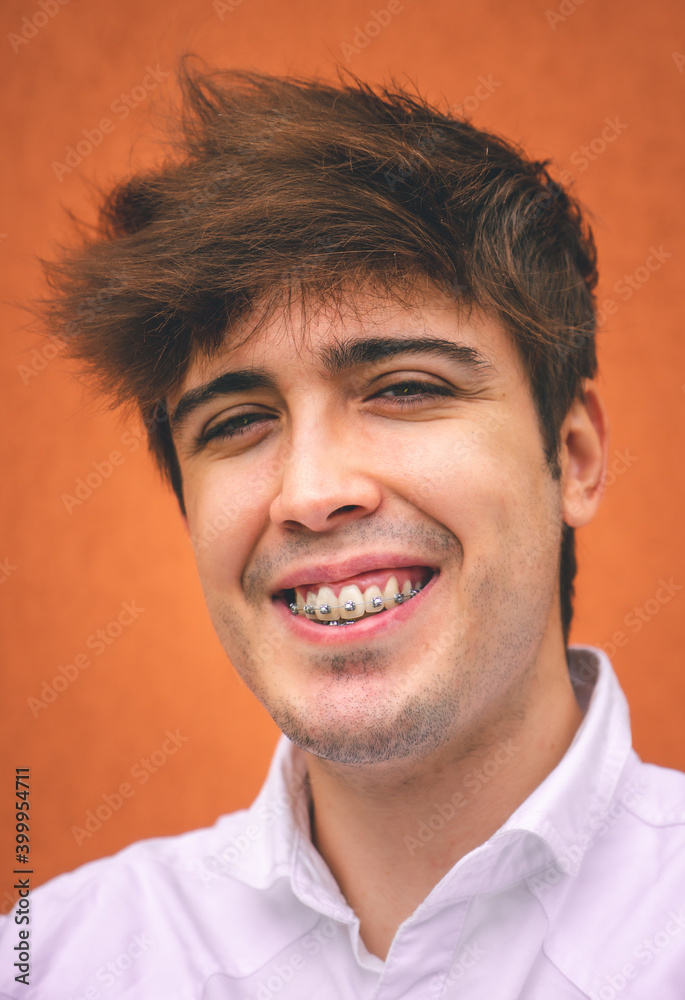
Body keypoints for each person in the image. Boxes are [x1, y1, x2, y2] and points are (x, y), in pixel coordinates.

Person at [2, 58, 684, 1000]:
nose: (311, 493)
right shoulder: (48, 965)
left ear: (570, 456)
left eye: (405, 388)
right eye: (236, 422)